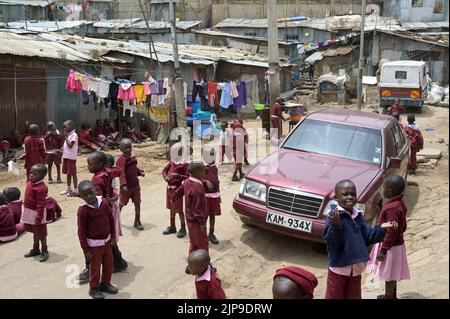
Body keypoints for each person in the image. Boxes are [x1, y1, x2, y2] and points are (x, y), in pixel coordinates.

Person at [323, 179, 397, 299]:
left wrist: (382, 228)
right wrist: (335, 225)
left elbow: (368, 237)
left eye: (353, 194)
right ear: (336, 198)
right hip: (338, 270)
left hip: (356, 270)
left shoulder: (358, 215)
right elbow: (332, 243)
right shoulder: (333, 217)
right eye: (345, 194)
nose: (350, 197)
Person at [367, 175, 410, 299]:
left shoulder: (393, 208)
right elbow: (402, 225)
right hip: (395, 245)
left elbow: (391, 231)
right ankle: (391, 295)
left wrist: (383, 250)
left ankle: (389, 296)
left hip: (391, 247)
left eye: (384, 188)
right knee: (392, 272)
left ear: (390, 191)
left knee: (390, 275)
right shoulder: (399, 203)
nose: (383, 190)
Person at [77, 180, 118, 299]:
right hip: (94, 246)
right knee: (95, 268)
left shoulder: (104, 203)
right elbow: (81, 231)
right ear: (81, 195)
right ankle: (93, 288)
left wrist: (113, 236)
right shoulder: (83, 210)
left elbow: (111, 219)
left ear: (95, 190)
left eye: (91, 192)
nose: (89, 196)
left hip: (107, 242)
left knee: (108, 264)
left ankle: (105, 283)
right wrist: (85, 249)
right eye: (85, 195)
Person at [172, 162, 209, 255]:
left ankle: (192, 263)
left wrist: (173, 197)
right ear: (198, 173)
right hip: (197, 222)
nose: (205, 173)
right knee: (202, 245)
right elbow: (197, 209)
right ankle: (204, 265)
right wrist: (202, 223)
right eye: (204, 171)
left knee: (193, 243)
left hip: (189, 219)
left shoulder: (187, 181)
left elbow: (179, 191)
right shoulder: (197, 188)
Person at [21, 164, 50, 262]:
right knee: (35, 231)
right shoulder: (30, 183)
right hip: (29, 212)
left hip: (37, 213)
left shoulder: (41, 188)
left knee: (41, 233)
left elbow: (41, 205)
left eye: (34, 174)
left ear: (42, 176)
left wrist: (39, 217)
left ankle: (45, 251)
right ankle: (36, 248)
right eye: (31, 173)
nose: (31, 175)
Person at [162, 142, 189, 238]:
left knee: (179, 209)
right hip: (169, 188)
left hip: (178, 189)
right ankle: (172, 226)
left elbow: (188, 177)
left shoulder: (184, 164)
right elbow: (164, 170)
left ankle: (183, 228)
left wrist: (177, 176)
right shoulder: (172, 162)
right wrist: (165, 177)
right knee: (171, 208)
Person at [117, 138, 145, 230]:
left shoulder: (132, 157)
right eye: (125, 148)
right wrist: (123, 184)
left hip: (135, 186)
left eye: (129, 147)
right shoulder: (121, 159)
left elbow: (134, 168)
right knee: (122, 203)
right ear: (121, 149)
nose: (128, 149)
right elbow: (121, 173)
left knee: (137, 203)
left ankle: (137, 221)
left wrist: (140, 172)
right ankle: (115, 219)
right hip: (126, 187)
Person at [202, 146, 221, 245]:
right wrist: (206, 181)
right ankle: (203, 235)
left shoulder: (214, 167)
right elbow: (198, 179)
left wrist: (219, 196)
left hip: (215, 195)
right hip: (206, 196)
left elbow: (217, 181)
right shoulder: (202, 168)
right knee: (205, 216)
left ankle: (211, 234)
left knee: (213, 215)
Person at [60, 120, 78, 196]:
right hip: (66, 156)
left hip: (71, 157)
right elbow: (66, 145)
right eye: (63, 127)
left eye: (65, 126)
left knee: (73, 173)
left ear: (71, 126)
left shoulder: (74, 135)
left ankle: (76, 190)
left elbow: (70, 145)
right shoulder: (69, 134)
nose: (64, 128)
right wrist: (61, 148)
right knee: (68, 173)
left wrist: (66, 137)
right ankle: (68, 188)